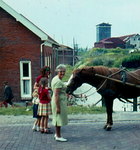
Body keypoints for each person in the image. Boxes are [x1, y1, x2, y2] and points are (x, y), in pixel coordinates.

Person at [51, 64, 68, 142]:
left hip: (59, 100)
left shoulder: (56, 79)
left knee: (57, 118)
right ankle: (58, 135)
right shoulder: (58, 81)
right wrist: (58, 107)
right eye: (60, 71)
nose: (62, 73)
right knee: (58, 118)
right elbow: (56, 94)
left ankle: (57, 134)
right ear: (57, 71)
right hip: (58, 102)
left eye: (63, 71)